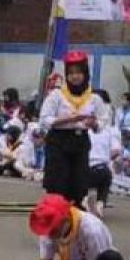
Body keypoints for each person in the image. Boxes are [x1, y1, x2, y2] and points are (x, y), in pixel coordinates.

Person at [39, 51, 103, 203]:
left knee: (79, 182)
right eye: (71, 73)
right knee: (58, 182)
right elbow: (44, 119)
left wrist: (93, 123)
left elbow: (102, 121)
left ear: (85, 74)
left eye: (79, 72)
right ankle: (56, 212)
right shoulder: (57, 95)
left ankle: (75, 212)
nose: (75, 77)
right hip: (59, 141)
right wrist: (69, 119)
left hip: (80, 141)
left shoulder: (94, 97)